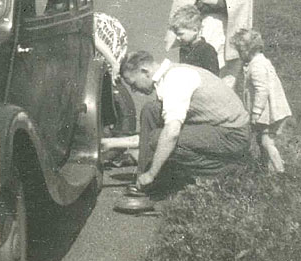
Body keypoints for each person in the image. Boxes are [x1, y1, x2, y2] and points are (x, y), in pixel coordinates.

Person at [107, 51, 251, 213]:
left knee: (158, 139)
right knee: (151, 110)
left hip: (233, 134)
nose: (134, 90)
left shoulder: (175, 80)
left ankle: (225, 172)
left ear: (144, 71)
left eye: (132, 83)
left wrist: (152, 173)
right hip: (216, 125)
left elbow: (172, 132)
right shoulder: (168, 73)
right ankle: (146, 184)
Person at [232, 29, 292, 173]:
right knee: (262, 140)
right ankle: (267, 168)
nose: (239, 55)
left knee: (266, 141)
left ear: (248, 50)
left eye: (240, 51)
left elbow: (262, 90)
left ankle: (280, 171)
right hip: (270, 111)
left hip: (270, 113)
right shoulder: (261, 61)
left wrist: (255, 112)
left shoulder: (257, 65)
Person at [169, 5, 219, 75]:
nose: (177, 37)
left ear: (195, 30)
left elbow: (212, 76)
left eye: (181, 34)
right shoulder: (183, 50)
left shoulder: (207, 50)